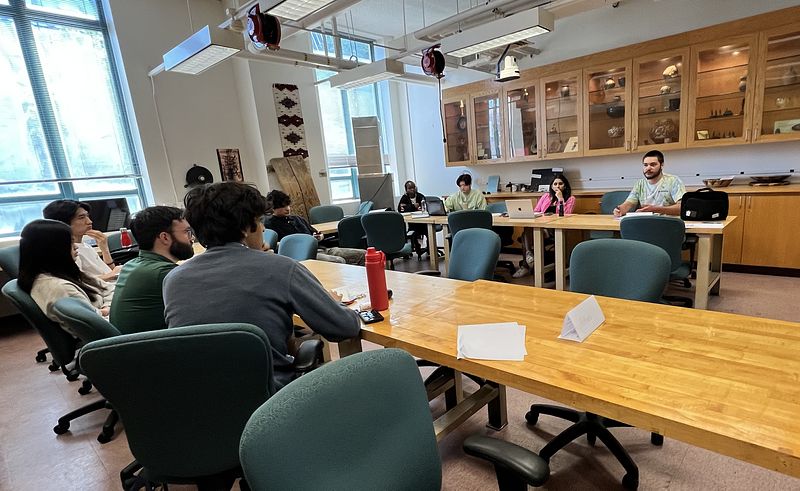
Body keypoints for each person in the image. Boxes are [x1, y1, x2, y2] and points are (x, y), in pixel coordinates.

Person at [163, 182, 360, 388]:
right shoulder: (281, 268)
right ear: (245, 228)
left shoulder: (173, 280)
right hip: (271, 396)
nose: (264, 228)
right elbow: (344, 327)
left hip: (197, 395)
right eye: (258, 220)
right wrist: (336, 304)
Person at [17, 219, 114, 335]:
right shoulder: (60, 289)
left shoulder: (62, 273)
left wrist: (106, 309)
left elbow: (108, 288)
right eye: (71, 243)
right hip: (110, 337)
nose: (76, 247)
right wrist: (107, 310)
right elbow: (97, 328)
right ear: (54, 249)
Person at [108, 206, 194, 334]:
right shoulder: (164, 273)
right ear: (165, 237)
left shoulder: (131, 265)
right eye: (187, 232)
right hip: (152, 345)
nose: (192, 238)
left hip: (131, 343)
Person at [264, 190, 365, 265]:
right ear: (273, 208)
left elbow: (317, 233)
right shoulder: (269, 225)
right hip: (303, 255)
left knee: (364, 254)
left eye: (288, 205)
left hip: (321, 249)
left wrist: (319, 236)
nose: (287, 209)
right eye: (283, 207)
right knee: (338, 261)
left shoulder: (297, 219)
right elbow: (275, 246)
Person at [513, 173, 576, 278]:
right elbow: (536, 211)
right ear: (551, 186)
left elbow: (566, 215)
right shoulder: (546, 196)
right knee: (527, 229)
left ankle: (526, 265)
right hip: (541, 227)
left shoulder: (570, 199)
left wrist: (560, 199)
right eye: (555, 184)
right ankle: (529, 255)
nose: (557, 186)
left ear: (565, 186)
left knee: (525, 236)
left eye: (560, 184)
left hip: (555, 229)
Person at [43, 200, 122, 282]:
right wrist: (114, 275)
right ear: (64, 223)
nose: (89, 222)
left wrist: (105, 250)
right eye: (81, 217)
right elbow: (78, 281)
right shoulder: (70, 251)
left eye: (87, 216)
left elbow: (108, 272)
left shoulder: (84, 245)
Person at [613, 150, 685, 217]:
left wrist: (656, 209)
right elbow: (629, 203)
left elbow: (682, 207)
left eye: (653, 165)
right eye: (645, 165)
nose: (648, 168)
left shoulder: (673, 181)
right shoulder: (640, 184)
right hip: (646, 221)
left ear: (662, 165)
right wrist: (620, 209)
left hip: (668, 222)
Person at [398, 180, 427, 255]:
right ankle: (417, 248)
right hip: (412, 224)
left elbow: (424, 207)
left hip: (423, 222)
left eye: (413, 187)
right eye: (410, 188)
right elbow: (401, 209)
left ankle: (430, 249)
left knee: (428, 231)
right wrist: (413, 206)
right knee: (413, 232)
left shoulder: (420, 196)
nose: (412, 189)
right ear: (406, 190)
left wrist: (408, 207)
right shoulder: (404, 198)